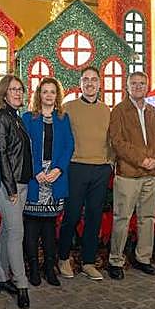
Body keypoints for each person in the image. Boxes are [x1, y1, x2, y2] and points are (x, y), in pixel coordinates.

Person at [106, 70, 155, 278]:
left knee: (148, 218)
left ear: (147, 86)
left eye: (142, 83)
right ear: (127, 87)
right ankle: (115, 260)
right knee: (122, 218)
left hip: (152, 174)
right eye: (134, 83)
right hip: (128, 174)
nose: (138, 86)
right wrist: (142, 160)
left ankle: (143, 258)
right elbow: (118, 142)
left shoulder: (153, 112)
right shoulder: (119, 111)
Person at [57, 66, 112, 281]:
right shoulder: (68, 108)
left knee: (94, 217)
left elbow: (111, 139)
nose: (90, 83)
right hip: (76, 167)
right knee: (71, 216)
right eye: (86, 79)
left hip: (100, 169)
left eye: (94, 80)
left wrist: (111, 162)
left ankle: (88, 262)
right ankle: (63, 258)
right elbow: (61, 139)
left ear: (100, 84)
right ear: (80, 83)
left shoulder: (106, 109)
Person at [21, 77, 74, 288]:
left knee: (50, 227)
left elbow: (69, 145)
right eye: (45, 91)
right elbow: (24, 148)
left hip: (55, 178)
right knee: (32, 226)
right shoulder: (28, 118)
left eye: (53, 92)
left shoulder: (63, 118)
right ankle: (34, 268)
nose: (49, 95)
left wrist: (59, 169)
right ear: (39, 95)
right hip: (36, 179)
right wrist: (36, 171)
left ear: (57, 96)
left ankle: (49, 268)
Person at [0, 74, 33, 308]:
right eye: (13, 89)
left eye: (20, 89)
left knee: (7, 231)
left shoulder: (15, 117)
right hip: (10, 185)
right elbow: (2, 155)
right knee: (17, 233)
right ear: (4, 93)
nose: (18, 93)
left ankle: (0, 277)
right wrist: (10, 187)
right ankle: (21, 284)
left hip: (21, 182)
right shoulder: (1, 118)